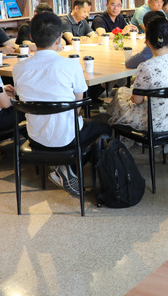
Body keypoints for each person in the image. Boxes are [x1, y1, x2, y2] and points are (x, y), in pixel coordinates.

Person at [13, 12, 112, 196]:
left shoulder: (18, 67)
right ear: (59, 39)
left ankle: (63, 167)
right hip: (68, 137)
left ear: (32, 37)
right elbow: (78, 103)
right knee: (105, 126)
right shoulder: (71, 65)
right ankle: (72, 167)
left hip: (35, 136)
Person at [108, 17, 168, 152]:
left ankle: (116, 142)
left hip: (153, 122)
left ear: (146, 40)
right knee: (126, 93)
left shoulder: (147, 66)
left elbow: (136, 100)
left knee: (120, 93)